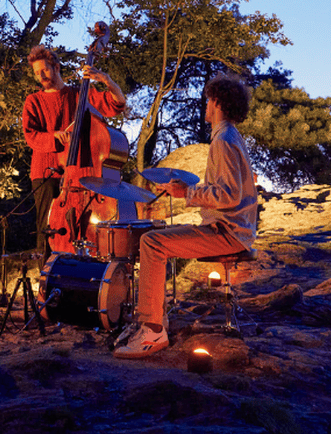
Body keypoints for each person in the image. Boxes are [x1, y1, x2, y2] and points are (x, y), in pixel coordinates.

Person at [114, 74, 258, 358]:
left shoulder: (224, 140)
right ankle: (156, 319)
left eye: (208, 100)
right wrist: (183, 190)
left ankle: (152, 330)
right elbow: (225, 190)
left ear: (217, 102)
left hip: (228, 233)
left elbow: (228, 195)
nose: (205, 106)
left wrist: (188, 193)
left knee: (152, 243)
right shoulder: (229, 136)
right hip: (230, 229)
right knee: (156, 238)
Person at [22, 45, 126, 255]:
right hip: (46, 171)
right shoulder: (33, 100)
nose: (40, 76)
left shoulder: (80, 93)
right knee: (48, 231)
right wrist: (54, 136)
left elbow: (116, 104)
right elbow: (31, 135)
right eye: (36, 73)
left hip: (78, 173)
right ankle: (47, 282)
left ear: (57, 67)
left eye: (44, 70)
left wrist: (107, 81)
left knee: (82, 231)